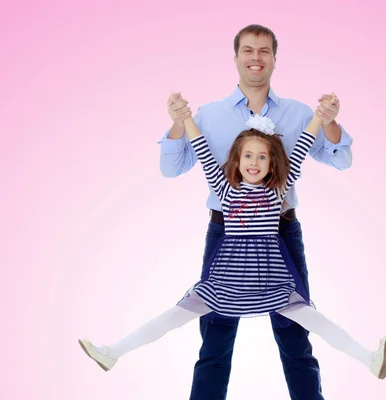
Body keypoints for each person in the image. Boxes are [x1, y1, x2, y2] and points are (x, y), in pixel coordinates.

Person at [78, 104, 386, 383]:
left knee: (317, 322)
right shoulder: (225, 189)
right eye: (248, 155)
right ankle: (112, 352)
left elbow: (300, 148)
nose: (254, 162)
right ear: (237, 158)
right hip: (225, 282)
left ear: (273, 164)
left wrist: (318, 117)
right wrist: (185, 118)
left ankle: (370, 358)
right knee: (171, 318)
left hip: (269, 283)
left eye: (262, 157)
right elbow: (202, 149)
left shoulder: (278, 190)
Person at [160, 24, 354, 400]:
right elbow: (172, 167)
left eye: (264, 51)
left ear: (275, 60)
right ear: (235, 58)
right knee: (215, 335)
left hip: (281, 232)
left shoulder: (299, 114)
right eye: (248, 50)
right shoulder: (209, 115)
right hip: (225, 233)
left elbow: (341, 158)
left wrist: (328, 122)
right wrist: (176, 121)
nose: (256, 58)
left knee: (295, 332)